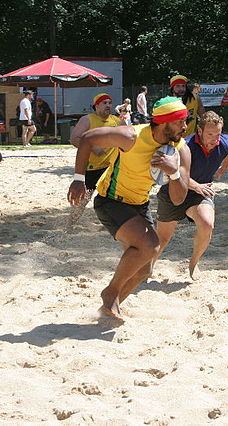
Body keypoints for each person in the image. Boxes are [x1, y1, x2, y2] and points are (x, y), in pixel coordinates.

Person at [67, 96, 191, 320]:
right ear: (164, 122)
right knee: (150, 246)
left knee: (144, 269)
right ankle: (110, 293)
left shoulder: (181, 149)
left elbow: (179, 198)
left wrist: (174, 173)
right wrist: (79, 179)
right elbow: (86, 139)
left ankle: (107, 310)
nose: (185, 126)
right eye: (180, 121)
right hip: (110, 200)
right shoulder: (131, 136)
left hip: (139, 204)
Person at [156, 111, 228, 279]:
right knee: (162, 239)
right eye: (210, 134)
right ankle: (148, 265)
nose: (215, 139)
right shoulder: (185, 145)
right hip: (174, 191)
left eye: (218, 134)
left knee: (207, 224)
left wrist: (222, 169)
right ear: (199, 131)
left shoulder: (225, 143)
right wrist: (196, 185)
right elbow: (174, 173)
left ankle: (194, 263)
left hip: (200, 194)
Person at [67, 93, 122, 228]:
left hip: (110, 167)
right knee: (83, 199)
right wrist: (93, 148)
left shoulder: (116, 120)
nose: (108, 105)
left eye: (110, 102)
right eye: (104, 103)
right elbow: (74, 139)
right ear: (96, 106)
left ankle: (117, 225)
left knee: (116, 198)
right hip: (91, 168)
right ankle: (70, 225)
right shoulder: (87, 120)